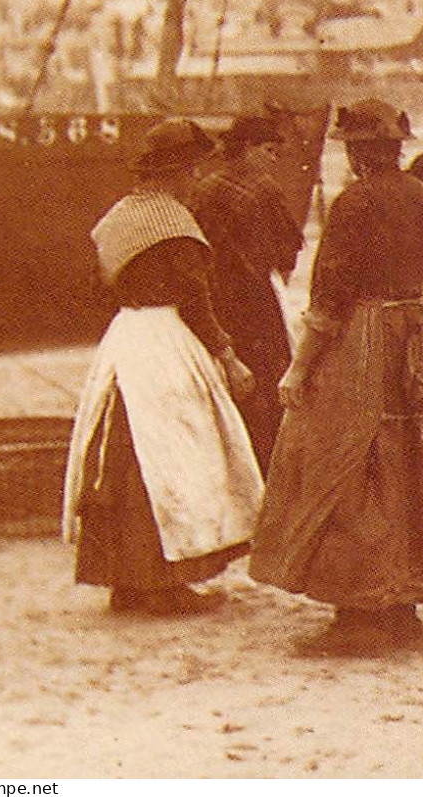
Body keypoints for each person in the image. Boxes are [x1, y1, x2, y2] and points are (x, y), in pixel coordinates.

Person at [249, 98, 423, 658]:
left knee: (348, 463)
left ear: (359, 152)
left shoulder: (354, 203)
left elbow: (331, 292)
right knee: (416, 466)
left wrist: (300, 368)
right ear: (397, 147)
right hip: (416, 334)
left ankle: (361, 608)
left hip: (363, 338)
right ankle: (405, 604)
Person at [61, 119, 262, 617]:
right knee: (173, 458)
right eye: (192, 171)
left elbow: (93, 289)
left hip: (125, 342)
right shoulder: (175, 226)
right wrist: (227, 355)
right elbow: (197, 302)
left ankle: (126, 583)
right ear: (178, 173)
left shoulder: (115, 221)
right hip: (166, 343)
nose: (194, 180)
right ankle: (163, 584)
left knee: (123, 458)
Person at [190, 115, 304, 475]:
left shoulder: (204, 189)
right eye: (269, 151)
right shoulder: (264, 190)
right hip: (255, 303)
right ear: (248, 149)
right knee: (268, 391)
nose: (273, 159)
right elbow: (288, 249)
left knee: (225, 392)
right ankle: (270, 478)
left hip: (215, 301)